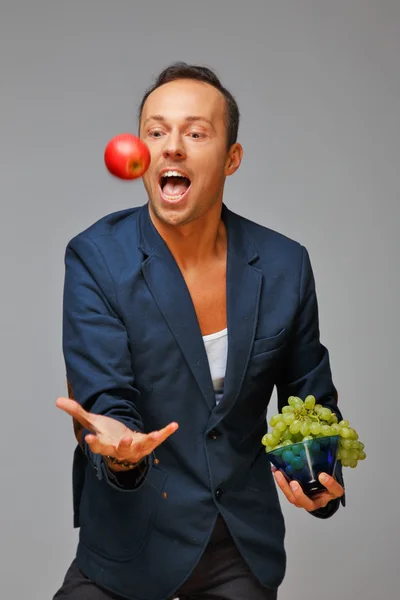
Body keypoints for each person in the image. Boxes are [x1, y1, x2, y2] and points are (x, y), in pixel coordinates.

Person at [53, 62, 345, 600]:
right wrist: (119, 448)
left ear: (232, 158)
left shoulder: (285, 264)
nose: (172, 146)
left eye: (195, 132)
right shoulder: (96, 257)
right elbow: (105, 400)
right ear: (139, 151)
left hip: (239, 551)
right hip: (125, 549)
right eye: (156, 131)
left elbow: (309, 400)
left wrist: (318, 484)